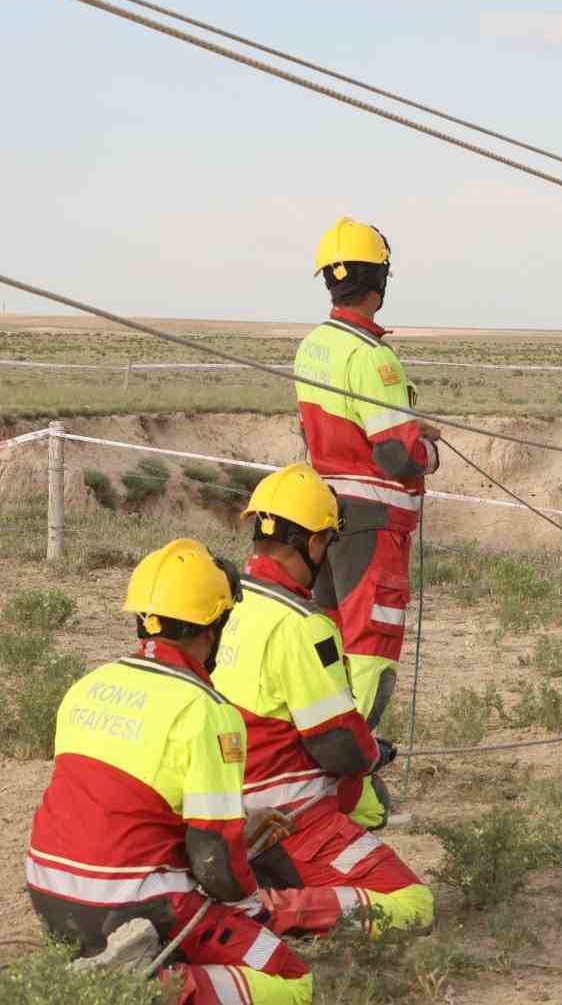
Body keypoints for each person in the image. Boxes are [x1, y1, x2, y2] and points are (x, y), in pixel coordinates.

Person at [25, 539, 314, 1005]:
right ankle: (138, 989)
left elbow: (124, 803)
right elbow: (214, 860)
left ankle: (104, 966)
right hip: (136, 906)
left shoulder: (87, 685)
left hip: (50, 897)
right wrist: (250, 906)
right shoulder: (208, 711)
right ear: (215, 625)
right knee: (291, 978)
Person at [210, 463, 433, 938]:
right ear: (314, 543)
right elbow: (337, 748)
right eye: (328, 542)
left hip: (218, 818)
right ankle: (272, 916)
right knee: (412, 903)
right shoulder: (301, 626)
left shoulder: (222, 604)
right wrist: (374, 754)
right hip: (288, 823)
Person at [294, 217, 440, 829]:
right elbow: (395, 457)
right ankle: (349, 793)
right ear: (380, 277)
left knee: (325, 652)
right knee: (369, 654)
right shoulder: (372, 357)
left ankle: (322, 791)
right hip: (374, 524)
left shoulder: (313, 346)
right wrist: (425, 448)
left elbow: (328, 429)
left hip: (323, 519)